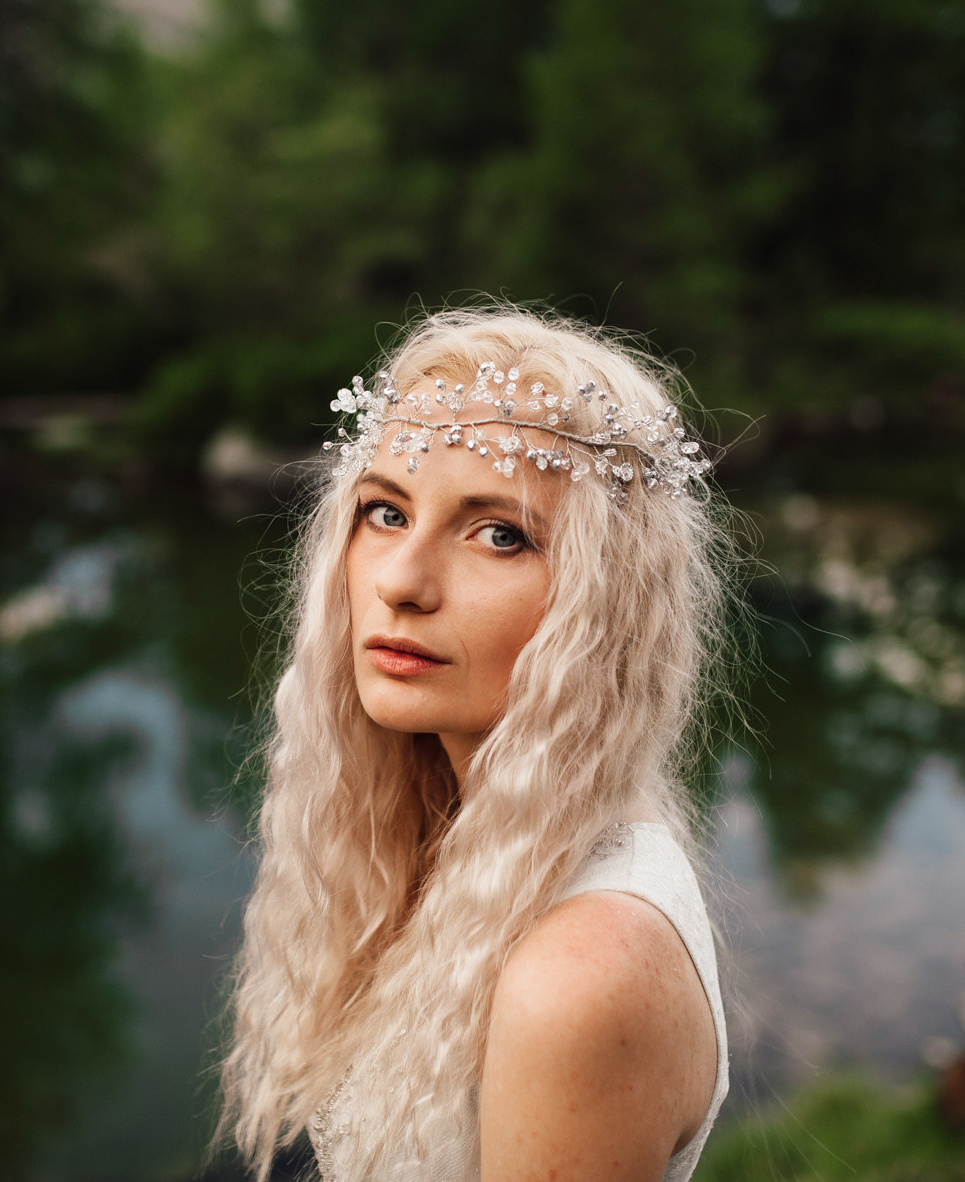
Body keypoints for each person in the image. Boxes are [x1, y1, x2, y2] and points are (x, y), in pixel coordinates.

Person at [220, 308, 736, 1181]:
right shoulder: (452, 829)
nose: (400, 581)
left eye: (498, 532)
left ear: (604, 601)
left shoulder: (580, 973)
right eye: (385, 511)